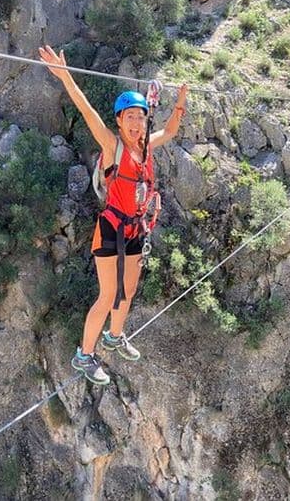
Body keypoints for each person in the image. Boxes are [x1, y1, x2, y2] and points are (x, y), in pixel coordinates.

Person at [38, 45, 188, 385]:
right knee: (108, 295)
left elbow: (172, 131)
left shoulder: (146, 147)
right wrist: (65, 76)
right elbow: (86, 110)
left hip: (135, 229)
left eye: (141, 117)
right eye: (130, 117)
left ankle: (114, 336)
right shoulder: (112, 146)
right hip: (110, 231)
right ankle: (84, 355)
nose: (137, 123)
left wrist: (179, 102)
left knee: (128, 290)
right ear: (119, 121)